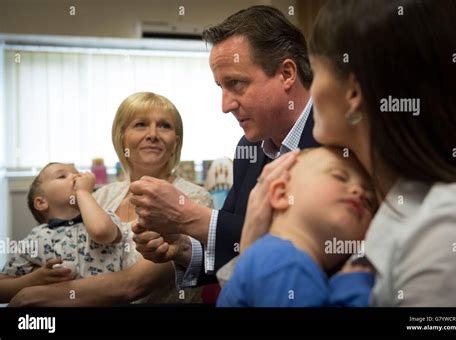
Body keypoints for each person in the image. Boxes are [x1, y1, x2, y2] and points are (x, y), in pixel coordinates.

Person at [239, 0, 456, 306]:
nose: (310, 90)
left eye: (316, 70)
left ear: (352, 94)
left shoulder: (445, 228)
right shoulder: (381, 205)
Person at [131, 5, 319, 289]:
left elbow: (310, 248)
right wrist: (183, 248)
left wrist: (189, 216)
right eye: (221, 86)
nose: (225, 105)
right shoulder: (249, 150)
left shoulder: (338, 139)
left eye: (236, 83)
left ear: (287, 74)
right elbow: (236, 243)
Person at [8, 92, 213, 306]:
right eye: (141, 124)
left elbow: (134, 285)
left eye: (164, 126)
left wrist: (35, 295)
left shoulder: (194, 199)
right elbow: (57, 251)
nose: (153, 134)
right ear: (121, 137)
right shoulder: (101, 196)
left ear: (175, 142)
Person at [217, 147, 376, 307]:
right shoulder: (286, 263)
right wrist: (353, 291)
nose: (359, 192)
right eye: (340, 176)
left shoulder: (274, 258)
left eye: (369, 201)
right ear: (280, 194)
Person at [0, 163, 127, 302]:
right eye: (62, 176)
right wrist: (33, 279)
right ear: (41, 203)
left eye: (77, 173)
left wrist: (83, 193)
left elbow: (101, 232)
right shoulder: (34, 240)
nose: (76, 176)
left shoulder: (105, 217)